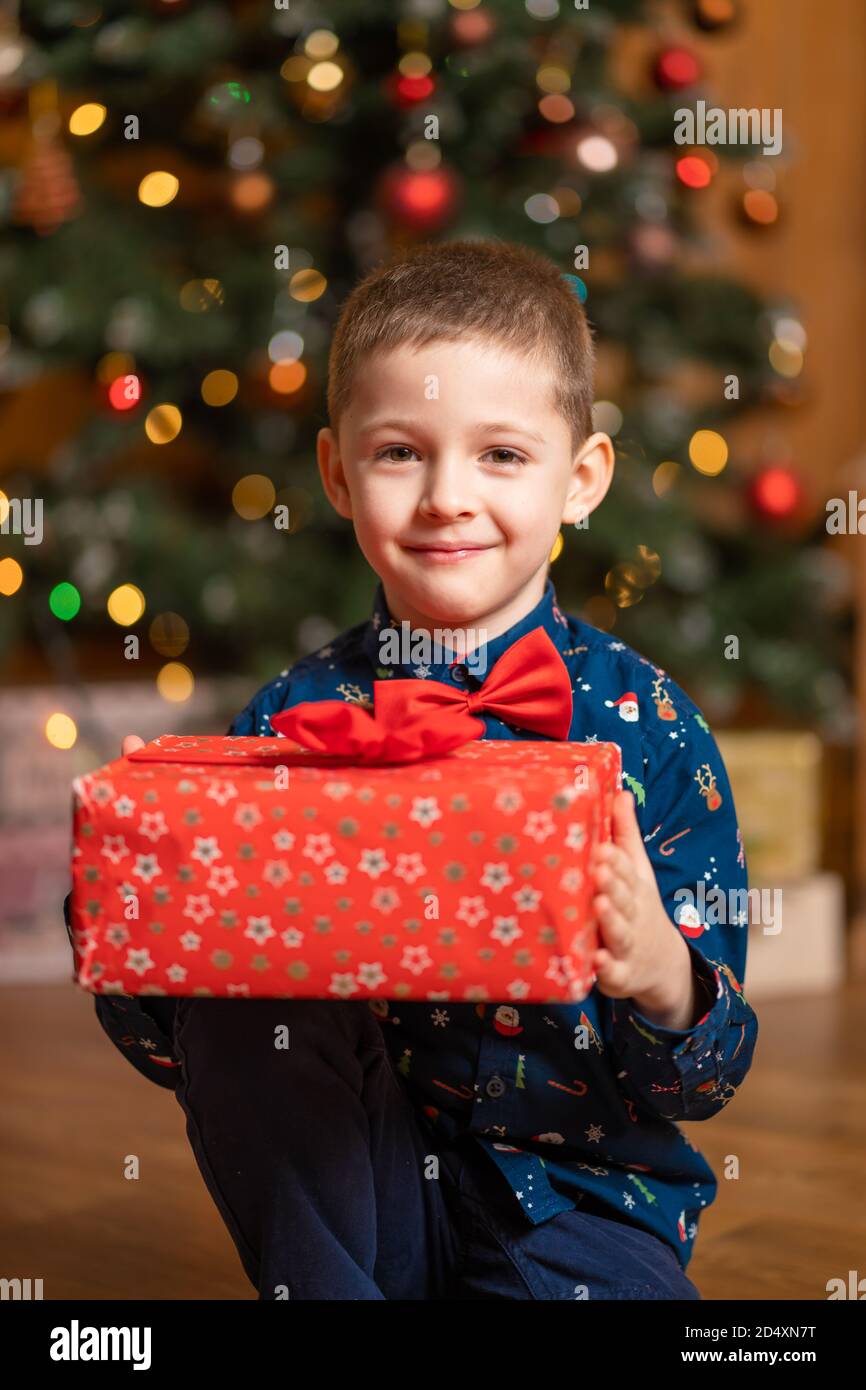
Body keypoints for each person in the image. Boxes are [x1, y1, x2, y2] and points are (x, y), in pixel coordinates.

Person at [67, 239, 758, 1300]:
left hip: (580, 1202)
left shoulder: (651, 730)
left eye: (500, 455)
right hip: (359, 1198)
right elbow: (183, 1050)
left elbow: (707, 1074)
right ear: (338, 473)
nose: (444, 497)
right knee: (240, 992)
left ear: (581, 481)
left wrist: (661, 969)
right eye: (399, 452)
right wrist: (147, 901)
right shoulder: (293, 719)